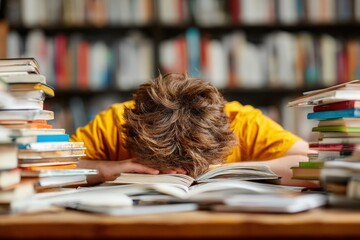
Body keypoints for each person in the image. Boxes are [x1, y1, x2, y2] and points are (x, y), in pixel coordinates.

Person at [71, 73, 315, 187]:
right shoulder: (116, 121)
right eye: (163, 169)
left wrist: (232, 171)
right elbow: (47, 169)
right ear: (132, 139)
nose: (182, 176)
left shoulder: (242, 121)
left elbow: (315, 164)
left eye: (193, 170)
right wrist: (104, 169)